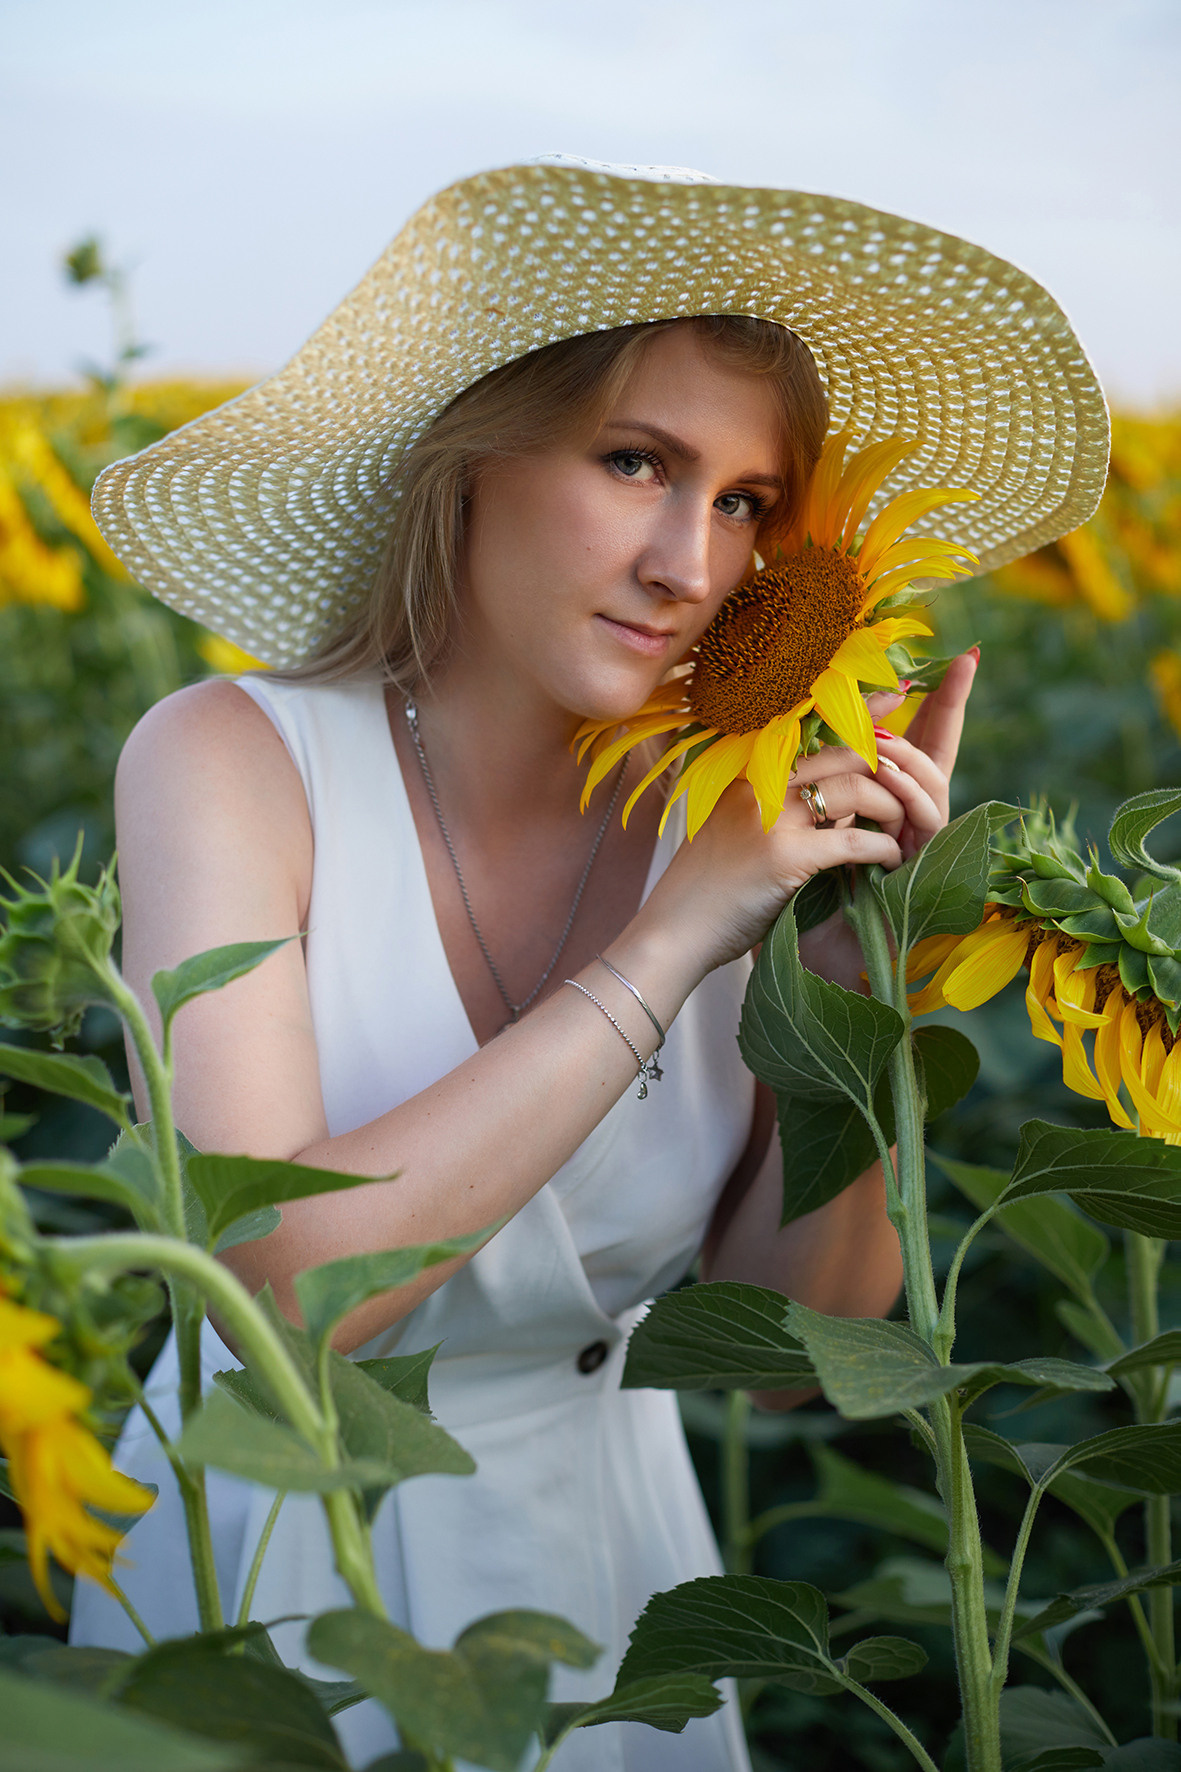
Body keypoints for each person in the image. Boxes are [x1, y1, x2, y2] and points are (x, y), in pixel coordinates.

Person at [70, 156, 1108, 1769]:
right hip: (272, 1573)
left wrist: (854, 961)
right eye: (635, 462)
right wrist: (674, 934)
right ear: (467, 457)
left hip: (610, 1600)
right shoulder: (229, 759)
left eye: (746, 503)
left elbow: (797, 1347)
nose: (689, 566)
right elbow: (286, 1296)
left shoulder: (733, 809)